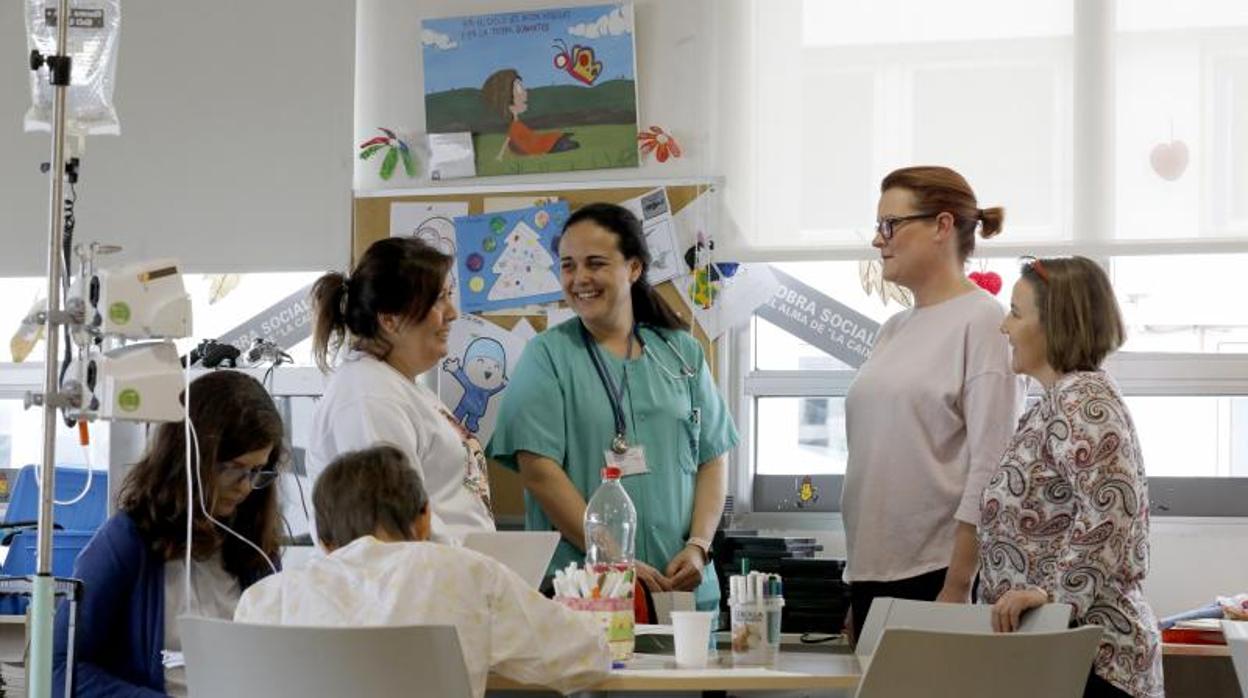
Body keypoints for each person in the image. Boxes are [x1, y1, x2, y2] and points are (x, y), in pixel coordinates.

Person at [487, 203, 738, 612]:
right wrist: (614, 559)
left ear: (634, 268)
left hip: (682, 588)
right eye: (568, 265)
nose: (579, 278)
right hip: (590, 592)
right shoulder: (547, 356)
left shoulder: (681, 352)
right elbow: (539, 472)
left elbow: (713, 458)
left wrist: (698, 546)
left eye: (595, 263)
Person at [234, 445, 611, 698]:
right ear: (425, 517)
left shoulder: (265, 600)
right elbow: (583, 656)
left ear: (323, 539)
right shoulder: (466, 574)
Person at [842, 165, 1023, 640]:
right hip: (870, 573)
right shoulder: (893, 329)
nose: (879, 241)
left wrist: (959, 584)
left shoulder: (983, 322)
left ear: (943, 226)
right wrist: (855, 585)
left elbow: (991, 464)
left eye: (890, 225)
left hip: (937, 574)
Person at [981, 256, 1163, 698]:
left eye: (1016, 313)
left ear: (1056, 324)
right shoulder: (1058, 400)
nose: (1004, 326)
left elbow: (1110, 508)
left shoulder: (1081, 400)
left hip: (1093, 660)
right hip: (1062, 656)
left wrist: (1054, 595)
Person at [53, 371, 286, 697]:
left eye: (257, 471)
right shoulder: (127, 542)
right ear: (191, 459)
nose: (246, 486)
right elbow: (60, 669)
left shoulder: (257, 553)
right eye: (233, 468)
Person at [309, 236, 494, 543]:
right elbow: (392, 524)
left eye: (449, 296)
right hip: (418, 582)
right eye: (439, 299)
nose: (452, 313)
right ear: (390, 320)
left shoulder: (397, 383)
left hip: (447, 576)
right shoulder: (369, 396)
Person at [480, 68, 580, 159]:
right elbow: (513, 141)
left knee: (548, 138)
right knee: (548, 142)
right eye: (519, 89)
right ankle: (562, 142)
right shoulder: (514, 126)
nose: (525, 92)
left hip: (534, 144)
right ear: (506, 97)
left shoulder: (515, 124)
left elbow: (514, 140)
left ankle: (561, 140)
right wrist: (501, 155)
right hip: (534, 147)